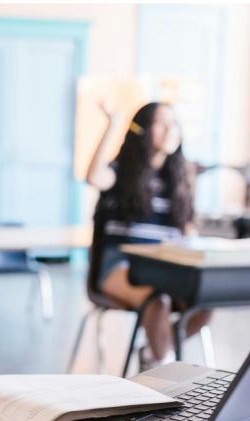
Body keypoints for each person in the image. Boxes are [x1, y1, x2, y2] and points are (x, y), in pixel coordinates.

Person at [85, 101, 210, 369]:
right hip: (120, 265)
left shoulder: (179, 179)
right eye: (162, 123)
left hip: (166, 266)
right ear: (142, 130)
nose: (171, 129)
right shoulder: (121, 172)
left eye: (174, 123)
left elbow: (189, 232)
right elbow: (94, 176)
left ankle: (155, 353)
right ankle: (164, 369)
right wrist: (113, 124)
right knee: (158, 301)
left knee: (206, 302)